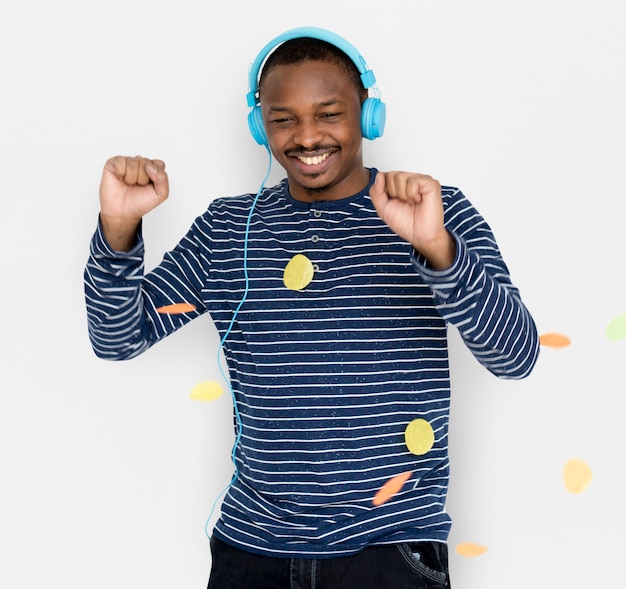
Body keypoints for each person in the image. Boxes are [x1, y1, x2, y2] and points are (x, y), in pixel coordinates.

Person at [84, 26, 539, 589]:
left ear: (367, 114)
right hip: (249, 553)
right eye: (283, 119)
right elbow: (117, 337)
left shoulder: (435, 212)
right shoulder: (229, 230)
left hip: (390, 552)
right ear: (260, 127)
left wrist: (437, 249)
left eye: (328, 114)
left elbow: (515, 356)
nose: (306, 136)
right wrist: (119, 227)